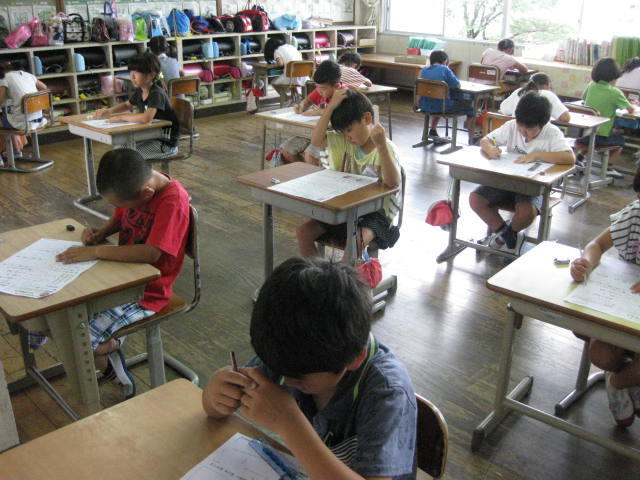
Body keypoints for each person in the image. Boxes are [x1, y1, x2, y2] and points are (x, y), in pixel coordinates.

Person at [202, 257, 417, 480]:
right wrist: (215, 394)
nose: (287, 380)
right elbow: (213, 410)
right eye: (280, 370)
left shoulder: (387, 391)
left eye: (298, 377)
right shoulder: (289, 352)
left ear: (353, 360)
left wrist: (288, 422)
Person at [47, 148, 189, 397]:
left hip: (148, 292)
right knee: (62, 316)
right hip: (119, 278)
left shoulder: (172, 201)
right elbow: (120, 218)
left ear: (146, 194)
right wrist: (101, 233)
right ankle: (103, 348)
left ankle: (115, 370)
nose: (118, 209)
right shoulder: (135, 185)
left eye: (119, 204)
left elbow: (151, 254)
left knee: (80, 340)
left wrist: (97, 252)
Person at [570, 169, 640, 426]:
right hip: (622, 304)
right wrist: (585, 263)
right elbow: (597, 245)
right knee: (601, 354)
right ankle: (625, 378)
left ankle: (619, 382)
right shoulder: (635, 213)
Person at [297, 90, 401, 258]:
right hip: (345, 209)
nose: (348, 137)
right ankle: (317, 273)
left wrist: (381, 146)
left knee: (354, 244)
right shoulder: (344, 141)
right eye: (343, 132)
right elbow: (316, 140)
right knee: (303, 232)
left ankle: (344, 275)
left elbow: (392, 183)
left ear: (367, 119)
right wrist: (330, 107)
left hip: (376, 215)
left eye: (350, 130)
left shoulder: (385, 147)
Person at [471, 92, 575, 255]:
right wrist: (490, 149)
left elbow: (569, 157)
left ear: (542, 124)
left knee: (526, 213)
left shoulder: (552, 133)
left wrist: (537, 155)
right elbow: (486, 140)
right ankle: (507, 236)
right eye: (521, 126)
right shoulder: (512, 126)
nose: (523, 131)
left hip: (531, 186)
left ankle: (502, 237)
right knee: (476, 199)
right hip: (506, 180)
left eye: (530, 129)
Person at [94, 53, 180, 159]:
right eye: (131, 72)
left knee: (126, 156)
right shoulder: (140, 91)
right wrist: (108, 111)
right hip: (151, 137)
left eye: (136, 72)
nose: (132, 76)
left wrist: (122, 117)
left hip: (166, 144)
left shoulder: (156, 93)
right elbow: (127, 104)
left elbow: (146, 118)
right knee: (119, 148)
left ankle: (140, 170)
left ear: (151, 75)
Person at [277, 60, 345, 165]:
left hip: (333, 135)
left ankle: (313, 173)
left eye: (322, 88)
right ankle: (303, 173)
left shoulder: (343, 94)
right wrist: (302, 105)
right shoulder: (321, 89)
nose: (319, 91)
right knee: (286, 151)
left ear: (336, 86)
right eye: (317, 87)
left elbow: (336, 112)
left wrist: (315, 112)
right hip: (313, 131)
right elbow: (308, 100)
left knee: (310, 157)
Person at [576, 57, 633, 165]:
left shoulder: (591, 85)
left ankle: (580, 156)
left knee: (593, 137)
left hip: (583, 134)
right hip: (600, 137)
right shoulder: (615, 92)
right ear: (614, 77)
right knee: (620, 141)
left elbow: (583, 99)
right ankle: (608, 167)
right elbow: (631, 110)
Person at [418, 50, 473, 141]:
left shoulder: (424, 70)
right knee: (470, 109)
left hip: (424, 105)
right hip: (441, 106)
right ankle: (471, 138)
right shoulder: (445, 69)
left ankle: (433, 129)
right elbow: (457, 85)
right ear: (445, 61)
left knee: (439, 99)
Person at [0, 61, 48, 165]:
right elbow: (44, 89)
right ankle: (16, 151)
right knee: (9, 117)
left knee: (5, 120)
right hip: (38, 120)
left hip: (21, 123)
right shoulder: (29, 76)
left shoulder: (5, 78)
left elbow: (0, 100)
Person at [500, 72, 570, 122]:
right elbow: (565, 118)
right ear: (549, 85)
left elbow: (504, 110)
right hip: (538, 132)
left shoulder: (519, 91)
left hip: (518, 130)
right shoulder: (548, 94)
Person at [263, 36, 307, 105]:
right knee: (292, 82)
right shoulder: (291, 47)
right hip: (303, 75)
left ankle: (286, 98)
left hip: (292, 77)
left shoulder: (277, 51)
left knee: (274, 83)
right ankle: (295, 99)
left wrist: (273, 65)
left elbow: (280, 64)